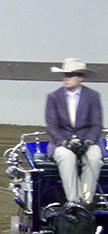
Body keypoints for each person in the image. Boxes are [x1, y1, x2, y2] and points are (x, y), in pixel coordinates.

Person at [45, 58, 103, 204]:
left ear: (80, 77)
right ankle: (74, 201)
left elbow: (97, 124)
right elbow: (52, 126)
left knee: (94, 158)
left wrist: (88, 141)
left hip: (87, 141)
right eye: (65, 75)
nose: (66, 79)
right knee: (66, 158)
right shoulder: (53, 97)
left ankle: (86, 200)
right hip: (62, 143)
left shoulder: (92, 96)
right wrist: (64, 142)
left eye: (70, 75)